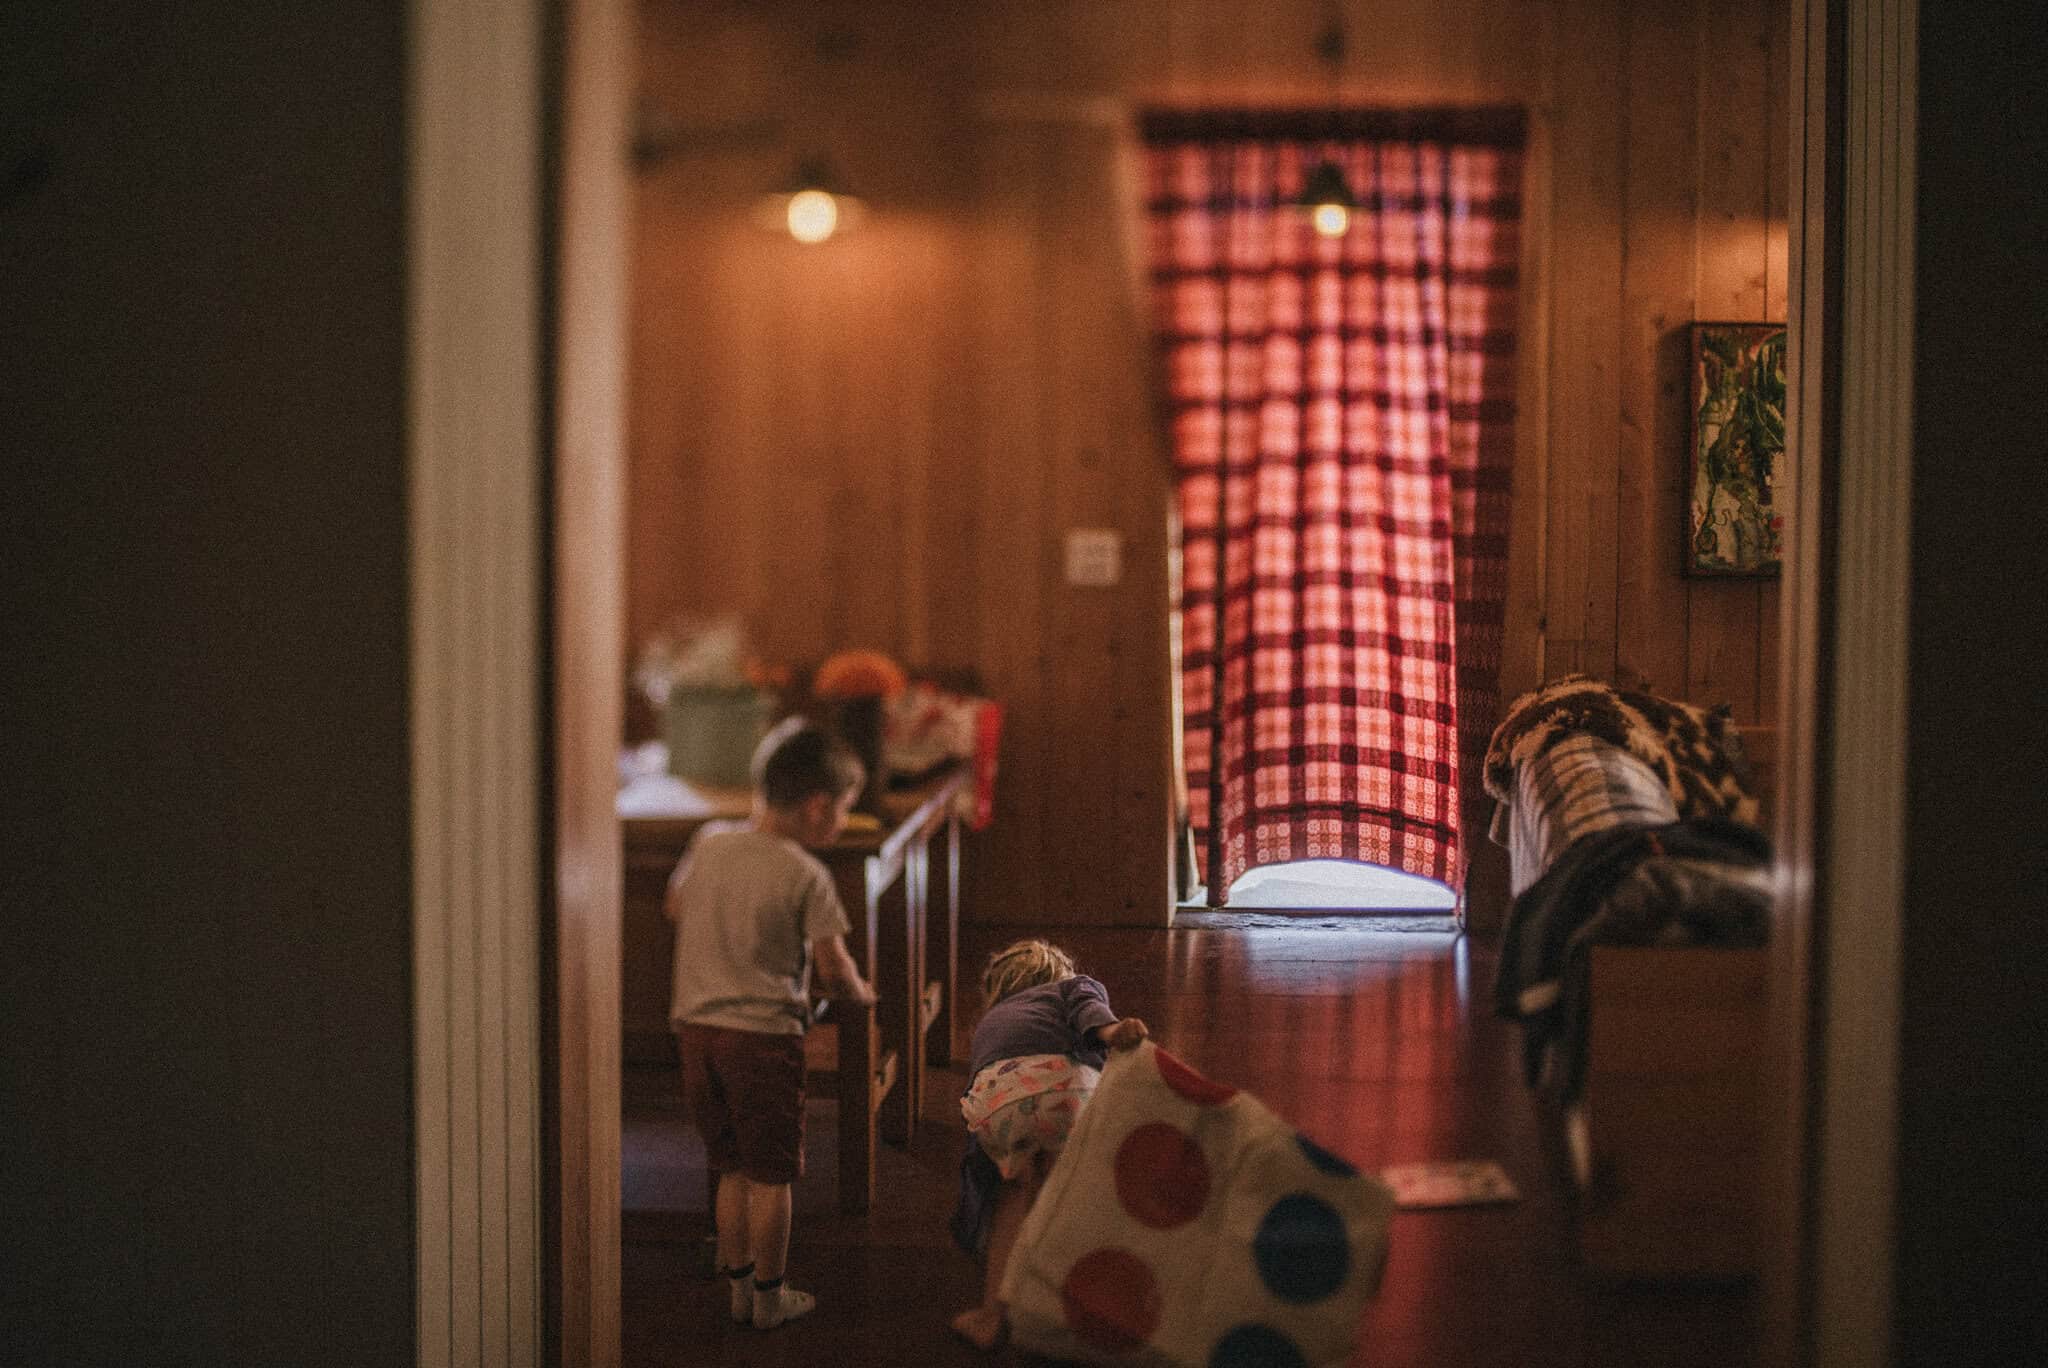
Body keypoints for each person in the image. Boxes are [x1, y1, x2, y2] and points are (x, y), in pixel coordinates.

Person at [666, 717, 877, 1331]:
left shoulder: (709, 841)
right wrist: (862, 998)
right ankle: (769, 1296)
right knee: (772, 1176)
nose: (839, 822)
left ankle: (736, 1288)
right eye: (842, 810)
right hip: (762, 1039)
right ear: (816, 808)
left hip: (695, 1033)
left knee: (730, 1167)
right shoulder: (807, 874)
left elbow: (675, 904)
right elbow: (835, 969)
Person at [949, 939, 1148, 1350]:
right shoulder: (1071, 987)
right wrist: (1116, 1032)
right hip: (1062, 1091)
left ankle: (992, 1316)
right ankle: (1071, 1315)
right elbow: (1093, 1018)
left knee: (1015, 1192)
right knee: (1070, 1197)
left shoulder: (992, 1020)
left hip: (997, 1101)